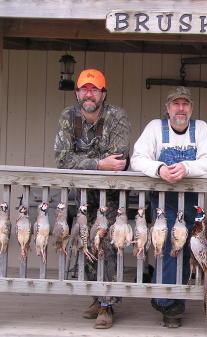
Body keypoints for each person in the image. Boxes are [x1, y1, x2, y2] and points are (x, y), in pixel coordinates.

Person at [130, 86, 207, 328]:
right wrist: (159, 169)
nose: (181, 108)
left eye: (185, 104)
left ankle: (170, 299)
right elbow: (137, 159)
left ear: (191, 108)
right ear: (167, 108)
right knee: (168, 247)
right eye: (176, 104)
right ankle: (169, 304)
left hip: (192, 203)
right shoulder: (155, 128)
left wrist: (186, 168)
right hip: (161, 202)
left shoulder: (201, 129)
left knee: (187, 248)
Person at [54, 68, 131, 329]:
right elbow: (62, 160)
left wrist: (88, 164)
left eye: (94, 89)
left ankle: (108, 305)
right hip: (83, 197)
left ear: (103, 94)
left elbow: (118, 161)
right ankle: (97, 299)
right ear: (77, 93)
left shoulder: (117, 116)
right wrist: (98, 163)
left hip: (111, 198)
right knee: (85, 245)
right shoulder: (68, 116)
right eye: (84, 88)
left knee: (107, 246)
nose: (89, 93)